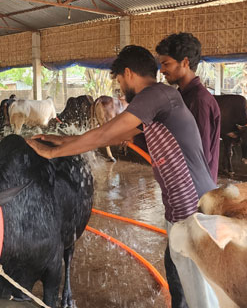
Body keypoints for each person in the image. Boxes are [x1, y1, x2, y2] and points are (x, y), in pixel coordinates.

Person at [26, 45, 218, 308]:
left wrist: (52, 155)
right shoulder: (158, 101)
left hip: (194, 209)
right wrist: (60, 140)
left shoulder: (155, 94)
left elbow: (104, 135)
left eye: (118, 80)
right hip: (182, 208)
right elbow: (116, 134)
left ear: (128, 73)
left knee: (200, 296)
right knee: (183, 283)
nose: (119, 87)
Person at [156, 33, 221, 183]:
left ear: (185, 62)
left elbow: (199, 153)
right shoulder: (181, 96)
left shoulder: (199, 100)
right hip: (185, 183)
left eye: (166, 64)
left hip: (196, 187)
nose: (162, 70)